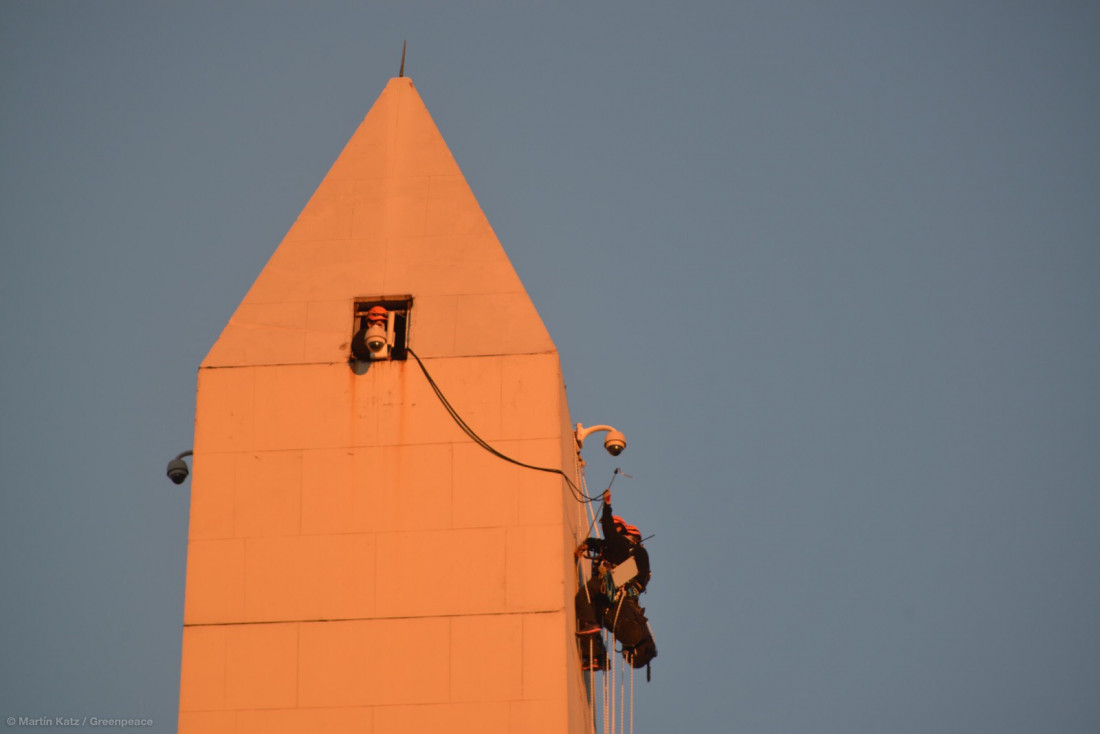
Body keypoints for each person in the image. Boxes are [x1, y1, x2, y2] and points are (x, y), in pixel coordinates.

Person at [575, 489, 651, 669]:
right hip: (617, 592)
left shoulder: (625, 547)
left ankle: (594, 644)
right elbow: (602, 543)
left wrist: (607, 506)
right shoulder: (629, 551)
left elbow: (608, 533)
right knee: (589, 612)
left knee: (583, 598)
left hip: (616, 584)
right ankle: (595, 657)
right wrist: (588, 544)